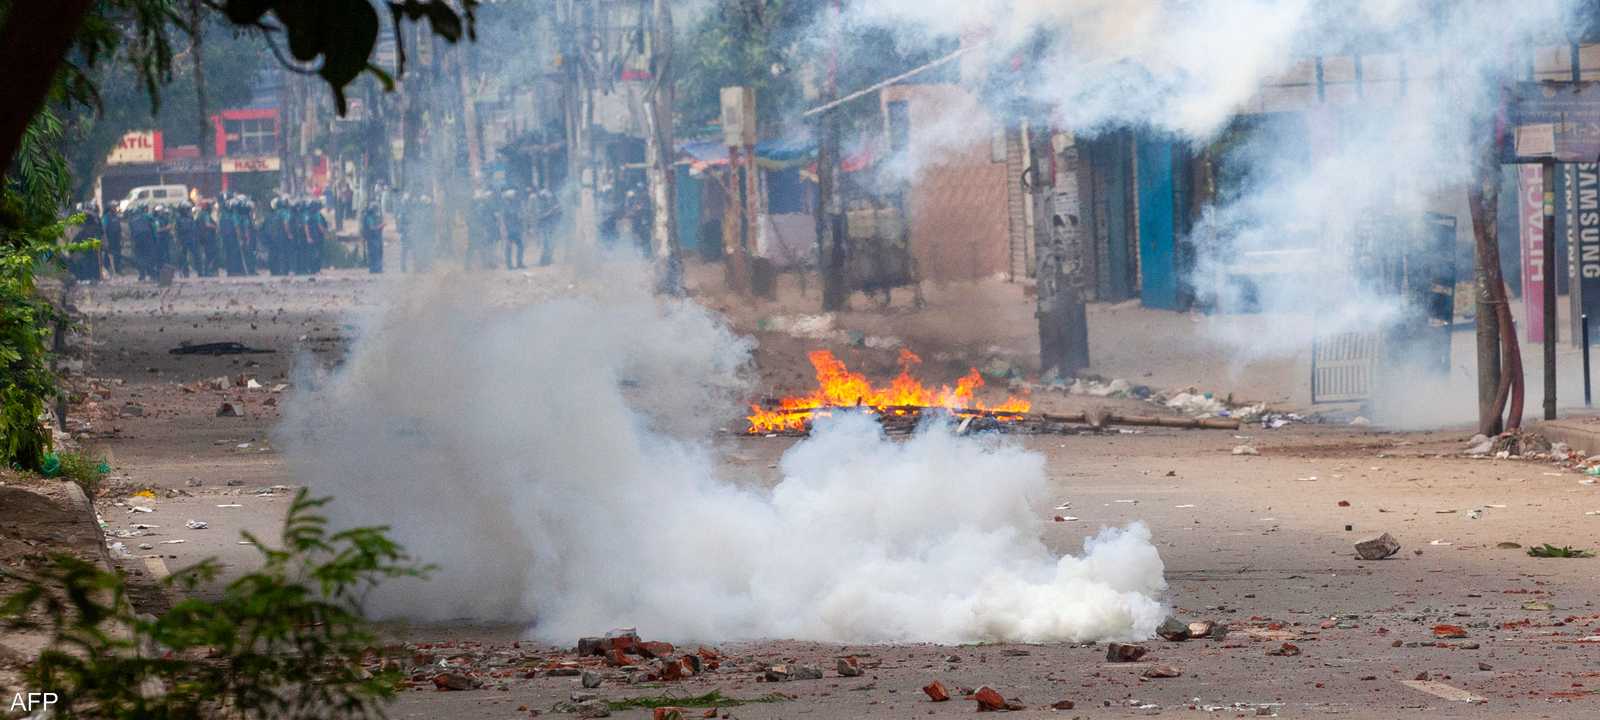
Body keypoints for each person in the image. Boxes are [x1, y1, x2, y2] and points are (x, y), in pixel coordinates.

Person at [500, 189, 526, 270]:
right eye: (515, 196)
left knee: (521, 246)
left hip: (516, 229)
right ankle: (509, 265)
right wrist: (504, 230)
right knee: (509, 247)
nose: (516, 197)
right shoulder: (505, 207)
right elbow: (503, 220)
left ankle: (519, 263)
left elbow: (518, 217)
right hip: (509, 230)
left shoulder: (515, 205)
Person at [128, 206, 155, 281]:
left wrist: (132, 244)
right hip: (147, 239)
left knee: (140, 257)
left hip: (138, 240)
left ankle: (142, 275)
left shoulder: (131, 220)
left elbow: (132, 233)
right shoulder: (146, 216)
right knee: (149, 256)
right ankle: (151, 274)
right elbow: (153, 225)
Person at [534, 187, 559, 266]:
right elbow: (540, 216)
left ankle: (548, 260)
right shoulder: (540, 205)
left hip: (550, 226)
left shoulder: (547, 204)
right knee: (546, 245)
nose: (549, 199)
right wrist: (551, 211)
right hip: (544, 227)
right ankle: (543, 261)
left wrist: (555, 210)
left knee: (551, 244)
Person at [195, 202, 219, 276]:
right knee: (209, 254)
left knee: (204, 254)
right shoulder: (205, 214)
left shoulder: (199, 214)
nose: (211, 209)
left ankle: (204, 271)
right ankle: (207, 271)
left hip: (201, 237)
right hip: (208, 236)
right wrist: (216, 227)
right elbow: (207, 224)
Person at [360, 201, 384, 273]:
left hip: (374, 237)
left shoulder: (370, 216)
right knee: (374, 253)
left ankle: (377, 268)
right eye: (376, 209)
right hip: (372, 237)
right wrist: (381, 226)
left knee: (377, 253)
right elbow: (372, 228)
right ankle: (374, 269)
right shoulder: (369, 217)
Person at [101, 204, 122, 276]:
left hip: (117, 239)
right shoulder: (106, 217)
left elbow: (119, 228)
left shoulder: (116, 216)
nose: (115, 209)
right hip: (110, 238)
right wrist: (105, 240)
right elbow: (104, 229)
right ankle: (107, 269)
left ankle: (117, 269)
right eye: (114, 208)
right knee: (108, 255)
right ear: (110, 209)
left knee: (117, 254)